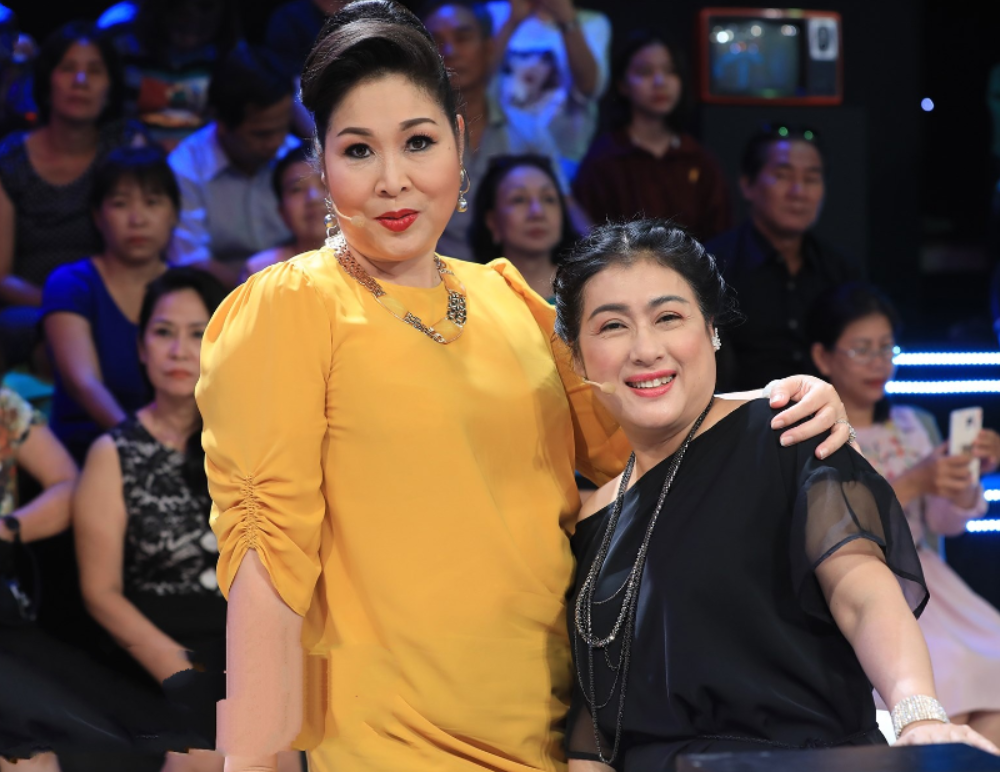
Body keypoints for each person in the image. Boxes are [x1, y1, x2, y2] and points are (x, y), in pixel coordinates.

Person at [195, 4, 855, 771]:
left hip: (556, 738)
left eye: (418, 142)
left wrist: (779, 405)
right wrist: (256, 761)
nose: (393, 179)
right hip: (384, 742)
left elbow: (645, 448)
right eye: (358, 150)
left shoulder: (508, 299)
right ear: (320, 167)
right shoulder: (291, 306)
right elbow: (265, 562)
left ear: (460, 141)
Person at [552, 220, 1000, 772]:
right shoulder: (592, 519)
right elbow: (595, 726)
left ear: (711, 328)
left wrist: (918, 714)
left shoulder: (789, 430)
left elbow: (860, 592)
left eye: (669, 317)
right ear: (578, 358)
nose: (646, 349)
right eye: (612, 326)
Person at [808, 282, 1000, 748]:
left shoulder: (915, 423)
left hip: (931, 580)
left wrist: (964, 477)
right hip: (871, 584)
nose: (878, 363)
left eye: (886, 348)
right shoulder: (814, 434)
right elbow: (835, 525)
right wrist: (916, 479)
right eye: (861, 349)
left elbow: (945, 525)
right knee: (950, 676)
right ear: (823, 357)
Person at [0, 360, 202, 771]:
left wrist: (8, 527)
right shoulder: (116, 450)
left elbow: (67, 485)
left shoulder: (6, 408)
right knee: (30, 754)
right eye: (165, 332)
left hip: (8, 612)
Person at [0, 21, 145, 368]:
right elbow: (1, 277)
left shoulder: (126, 146)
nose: (80, 81)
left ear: (110, 85)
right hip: (34, 306)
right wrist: (65, 306)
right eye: (68, 69)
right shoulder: (10, 158)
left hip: (117, 298)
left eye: (94, 71)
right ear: (48, 80)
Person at [42, 145, 177, 464]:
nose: (137, 219)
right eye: (120, 204)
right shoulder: (71, 284)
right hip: (85, 456)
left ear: (174, 214)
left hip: (177, 450)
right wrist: (145, 450)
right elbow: (84, 384)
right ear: (97, 216)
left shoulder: (188, 289)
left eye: (152, 202)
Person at [706, 126, 862, 391]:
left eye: (811, 179)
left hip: (825, 412)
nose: (798, 191)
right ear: (747, 185)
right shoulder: (712, 267)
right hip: (738, 414)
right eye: (782, 176)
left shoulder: (840, 271)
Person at [423, 0, 557, 261]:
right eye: (436, 42)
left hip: (515, 275)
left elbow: (562, 205)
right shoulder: (412, 139)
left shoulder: (528, 133)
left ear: (488, 48)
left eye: (463, 38)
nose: (450, 51)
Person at [572, 31, 730, 242]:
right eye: (645, 72)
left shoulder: (697, 158)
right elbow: (593, 238)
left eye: (670, 71)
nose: (659, 81)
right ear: (622, 84)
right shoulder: (604, 159)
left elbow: (720, 236)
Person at [167, 43, 299, 288]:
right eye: (262, 134)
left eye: (283, 128)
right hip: (218, 298)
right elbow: (192, 261)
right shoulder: (185, 168)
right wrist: (263, 293)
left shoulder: (296, 159)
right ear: (222, 124)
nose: (277, 142)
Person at [484, 0, 611, 181]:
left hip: (565, 161)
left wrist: (567, 20)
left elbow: (590, 89)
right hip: (500, 153)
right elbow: (475, 81)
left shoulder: (592, 22)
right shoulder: (495, 13)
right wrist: (512, 22)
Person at [103, 0, 242, 150]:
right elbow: (106, 121)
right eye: (178, 5)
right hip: (132, 156)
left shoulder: (229, 55)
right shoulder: (122, 45)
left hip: (202, 158)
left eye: (205, 6)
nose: (191, 16)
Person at [470, 154, 578, 298]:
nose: (537, 212)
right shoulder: (472, 296)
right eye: (519, 199)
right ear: (492, 221)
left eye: (549, 199)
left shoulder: (584, 290)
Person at [243, 145, 325, 279]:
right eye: (297, 189)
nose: (313, 198)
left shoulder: (364, 262)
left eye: (324, 183)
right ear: (282, 212)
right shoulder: (262, 273)